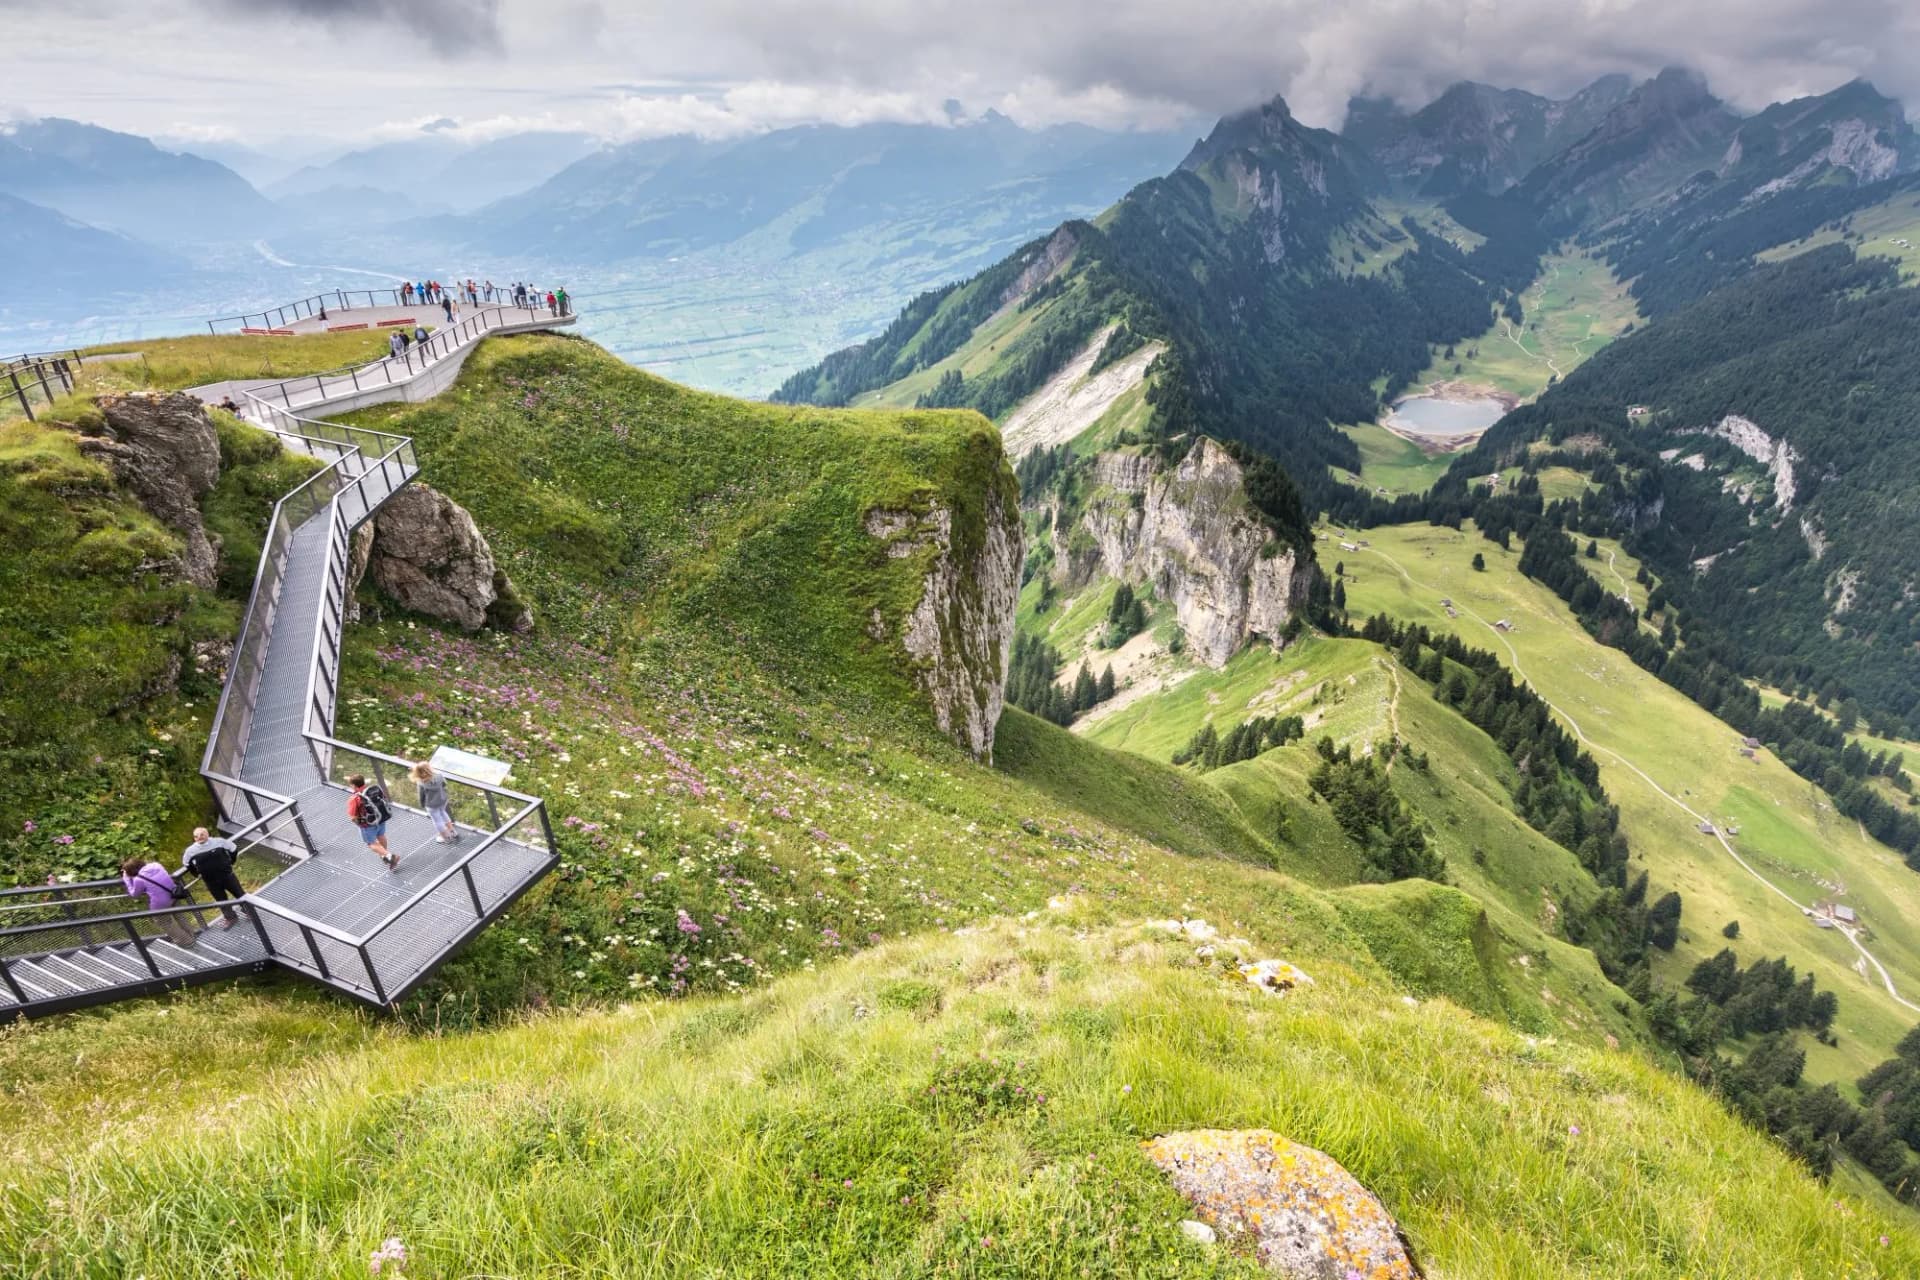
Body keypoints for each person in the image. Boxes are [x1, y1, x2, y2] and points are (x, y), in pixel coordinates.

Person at [121, 857, 195, 947]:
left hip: (160, 903)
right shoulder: (156, 865)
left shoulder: (138, 879)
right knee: (179, 915)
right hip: (173, 894)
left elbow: (134, 894)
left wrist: (127, 879)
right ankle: (191, 935)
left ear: (130, 871)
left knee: (164, 922)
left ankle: (186, 942)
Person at [182, 827, 245, 928]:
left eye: (202, 834)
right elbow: (187, 864)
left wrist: (231, 862)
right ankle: (231, 918)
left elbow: (233, 849)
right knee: (221, 900)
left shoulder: (219, 841)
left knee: (239, 894)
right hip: (211, 881)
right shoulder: (190, 851)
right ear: (194, 838)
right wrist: (196, 874)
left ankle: (250, 911)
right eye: (196, 836)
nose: (199, 837)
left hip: (227, 876)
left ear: (207, 834)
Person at [347, 773, 397, 869]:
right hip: (381, 818)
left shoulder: (355, 798)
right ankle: (385, 856)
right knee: (381, 835)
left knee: (371, 843)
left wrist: (360, 824)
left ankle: (390, 856)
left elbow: (352, 816)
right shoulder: (373, 790)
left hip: (368, 824)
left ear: (353, 785)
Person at [410, 761, 457, 844]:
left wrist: (422, 804)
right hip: (442, 800)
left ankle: (446, 837)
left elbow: (421, 795)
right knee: (443, 813)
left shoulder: (421, 782)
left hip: (431, 804)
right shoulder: (439, 775)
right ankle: (452, 831)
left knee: (437, 821)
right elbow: (444, 784)